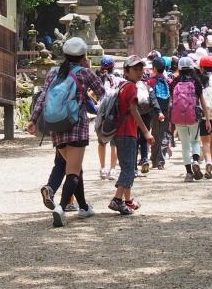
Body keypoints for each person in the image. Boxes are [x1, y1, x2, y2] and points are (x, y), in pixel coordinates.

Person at [30, 37, 102, 227]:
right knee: (73, 171)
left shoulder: (53, 72)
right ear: (83, 56)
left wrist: (33, 120)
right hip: (77, 126)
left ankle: (83, 207)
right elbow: (102, 92)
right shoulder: (85, 73)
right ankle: (61, 208)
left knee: (74, 168)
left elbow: (42, 98)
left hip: (56, 126)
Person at [111, 56, 155, 215]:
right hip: (126, 132)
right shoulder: (130, 87)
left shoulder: (123, 86)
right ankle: (117, 200)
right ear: (126, 71)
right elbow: (134, 110)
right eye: (135, 69)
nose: (139, 72)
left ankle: (128, 200)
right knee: (129, 168)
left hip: (122, 132)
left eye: (140, 69)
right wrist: (146, 132)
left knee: (127, 166)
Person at [169, 58, 209, 182]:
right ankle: (195, 161)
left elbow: (172, 101)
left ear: (179, 68)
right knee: (195, 141)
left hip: (178, 118)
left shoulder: (175, 82)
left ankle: (189, 173)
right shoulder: (196, 82)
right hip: (193, 117)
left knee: (185, 145)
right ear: (192, 68)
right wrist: (207, 119)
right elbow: (203, 102)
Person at [95, 56, 122, 180]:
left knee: (101, 142)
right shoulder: (118, 80)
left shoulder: (98, 80)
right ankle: (112, 169)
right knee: (114, 143)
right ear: (113, 67)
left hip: (102, 114)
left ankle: (102, 168)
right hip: (114, 113)